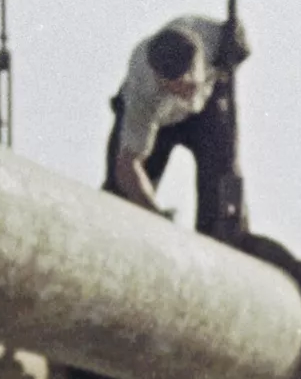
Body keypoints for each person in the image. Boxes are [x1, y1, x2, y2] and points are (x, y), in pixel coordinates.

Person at [103, 15, 251, 240]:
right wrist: (155, 215)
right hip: (160, 122)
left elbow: (244, 45)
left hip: (207, 107)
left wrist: (238, 41)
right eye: (177, 88)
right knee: (122, 198)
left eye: (189, 84)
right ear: (162, 81)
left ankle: (228, 233)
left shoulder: (215, 39)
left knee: (224, 171)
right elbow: (128, 164)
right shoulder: (144, 91)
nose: (185, 89)